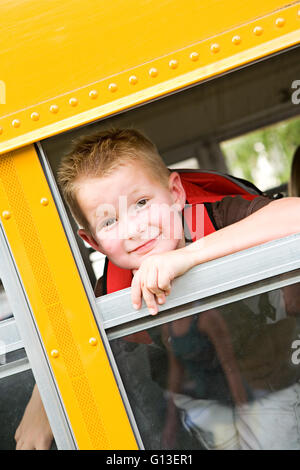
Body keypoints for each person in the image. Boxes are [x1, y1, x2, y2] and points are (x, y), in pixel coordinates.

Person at [15, 128, 300, 450]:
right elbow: (70, 339)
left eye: (141, 202)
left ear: (175, 193)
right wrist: (40, 406)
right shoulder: (110, 288)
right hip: (200, 399)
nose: (135, 229)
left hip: (271, 382)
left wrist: (188, 256)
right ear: (92, 242)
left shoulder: (219, 217)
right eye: (109, 222)